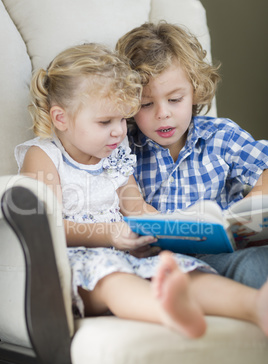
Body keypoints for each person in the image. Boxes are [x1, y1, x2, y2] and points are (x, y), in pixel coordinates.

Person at [15, 43, 268, 340]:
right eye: (105, 121)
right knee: (114, 278)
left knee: (183, 270)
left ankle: (254, 305)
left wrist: (169, 228)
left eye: (123, 119)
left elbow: (136, 207)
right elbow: (46, 226)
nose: (120, 131)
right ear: (61, 118)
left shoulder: (115, 154)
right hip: (80, 264)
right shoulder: (43, 156)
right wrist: (111, 235)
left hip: (127, 253)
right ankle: (170, 313)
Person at [116, 22, 268, 289]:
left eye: (175, 99)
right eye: (146, 104)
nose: (163, 113)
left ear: (195, 91)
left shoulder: (222, 135)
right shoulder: (123, 149)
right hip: (162, 265)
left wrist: (255, 202)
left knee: (256, 262)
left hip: (225, 255)